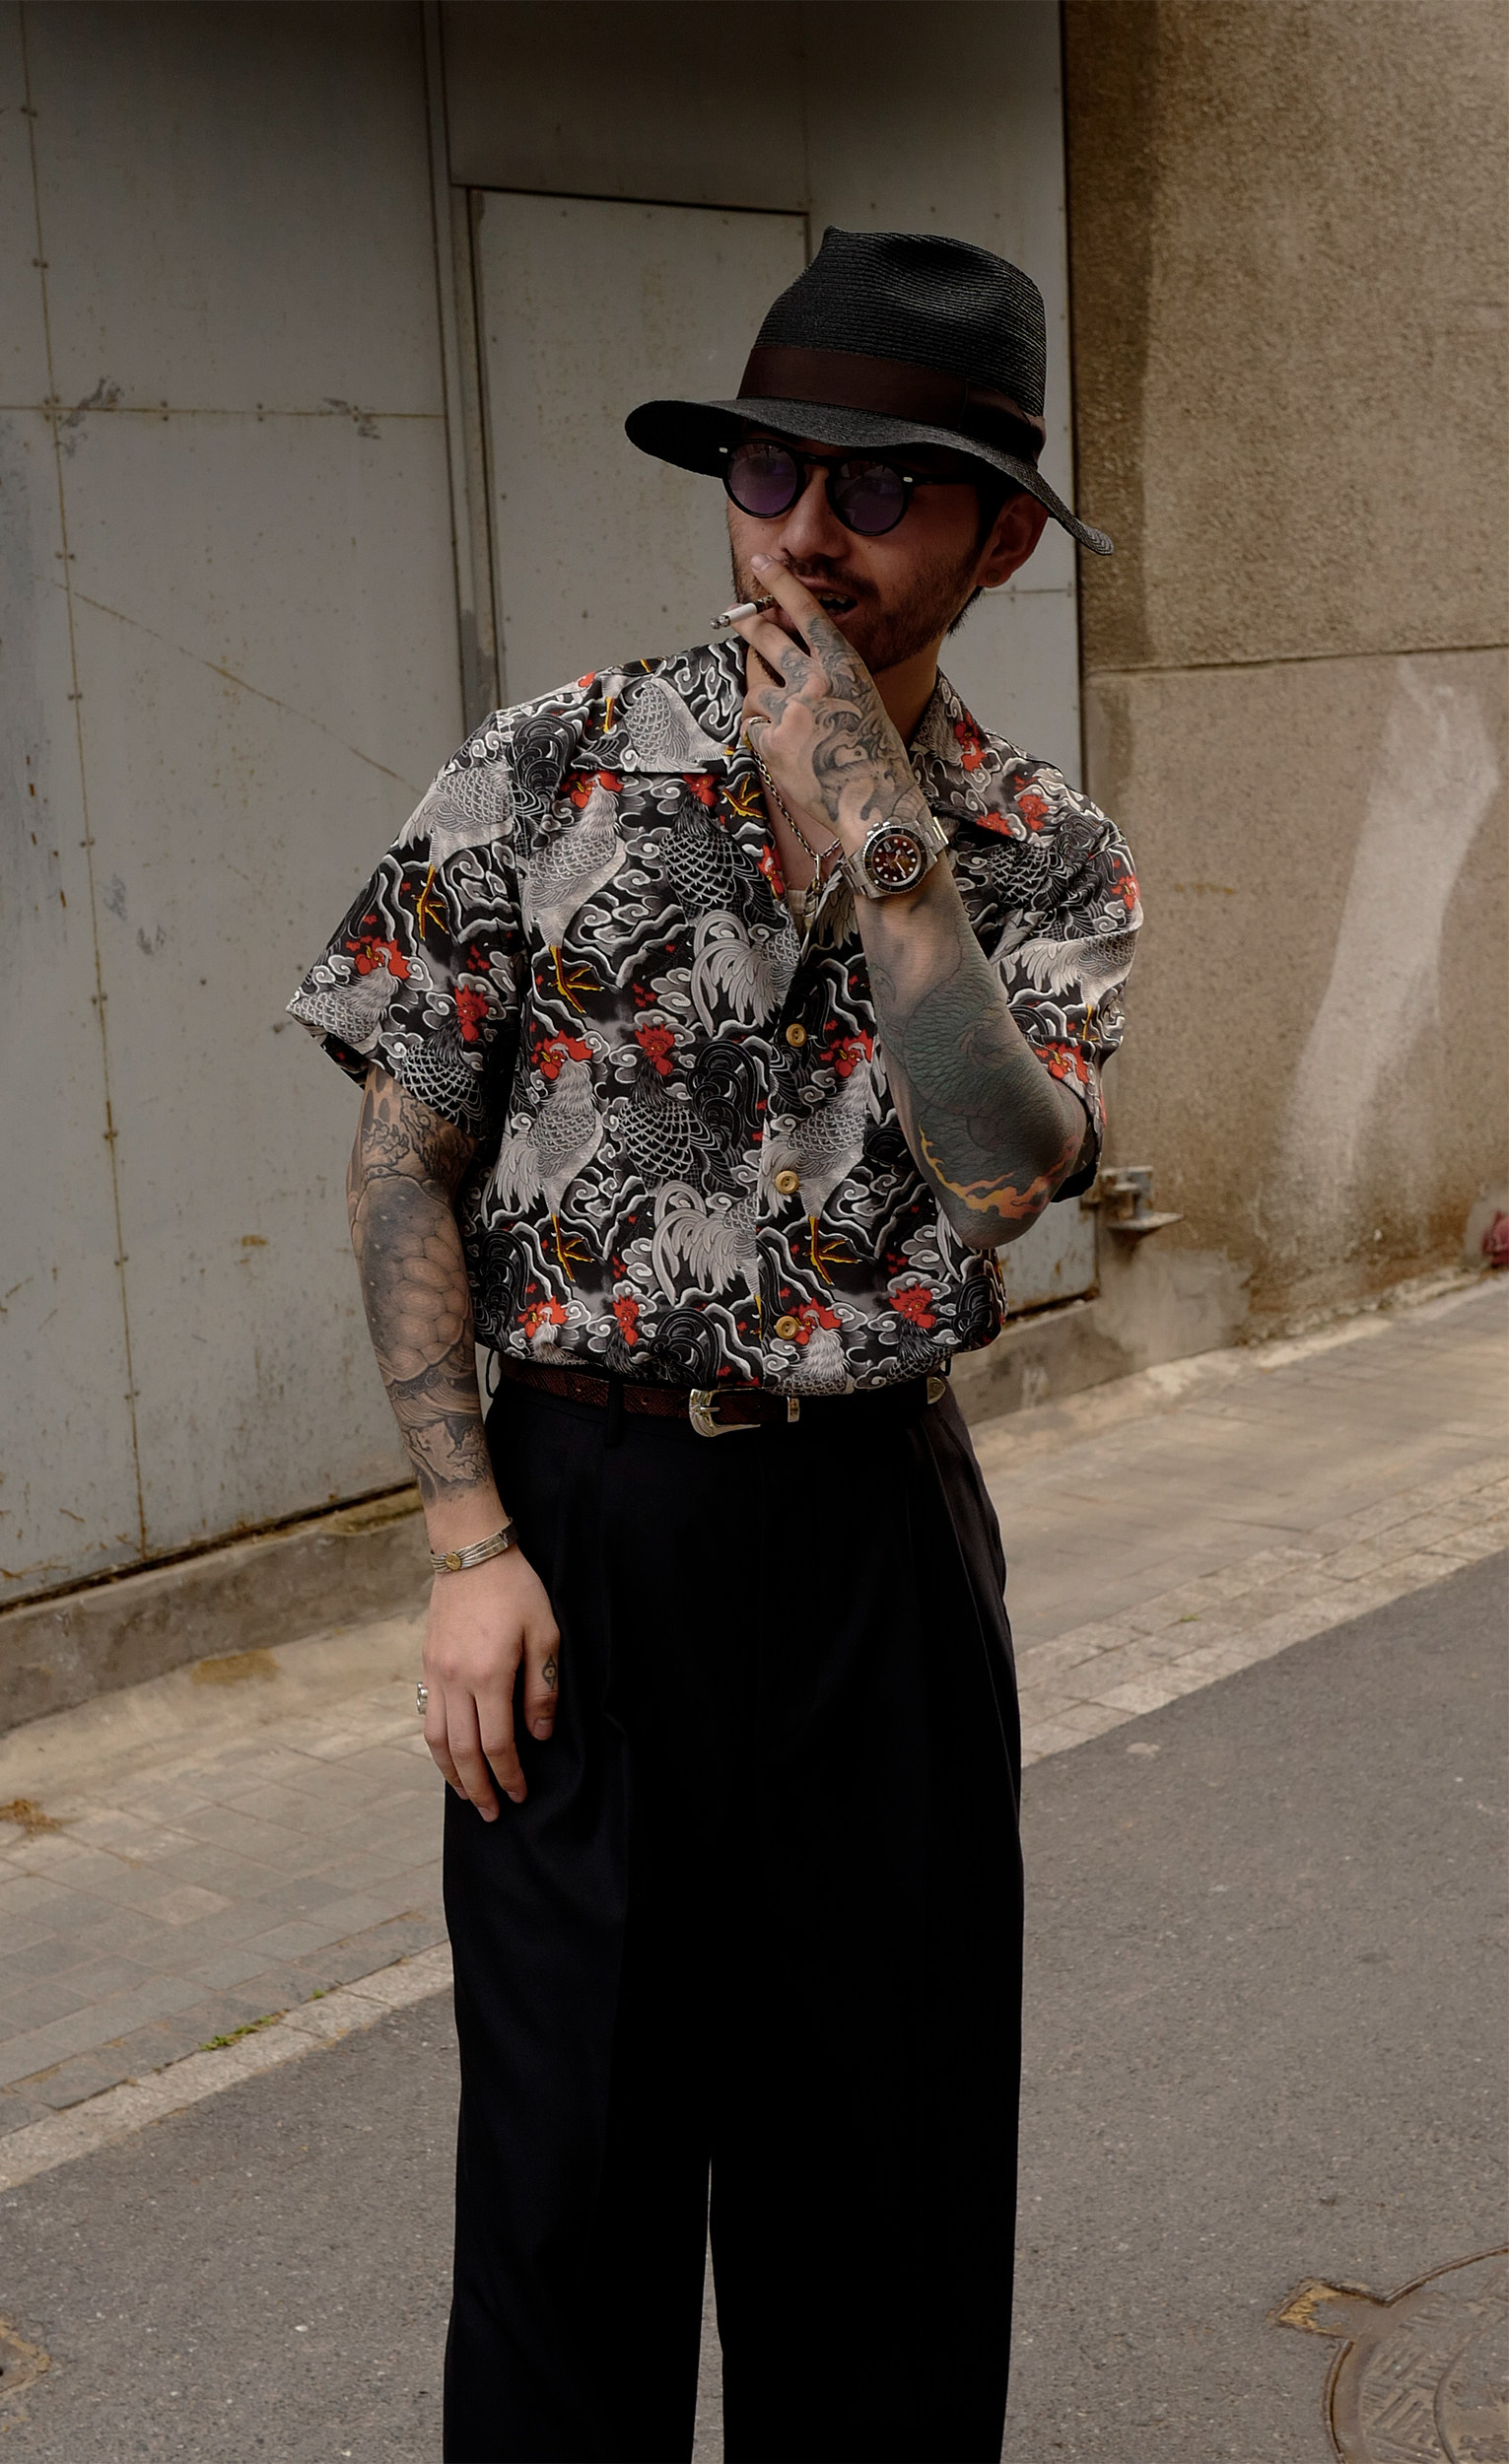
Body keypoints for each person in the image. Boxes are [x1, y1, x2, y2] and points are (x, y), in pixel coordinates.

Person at [290, 227, 1139, 2464]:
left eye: (882, 489)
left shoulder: (1047, 852)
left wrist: (878, 829)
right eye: (771, 471)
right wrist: (465, 1538)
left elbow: (1005, 1170)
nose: (805, 532)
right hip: (582, 1530)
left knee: (886, 2192)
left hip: (874, 1544)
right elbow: (401, 1164)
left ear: (1000, 540)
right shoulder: (547, 766)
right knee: (563, 2195)